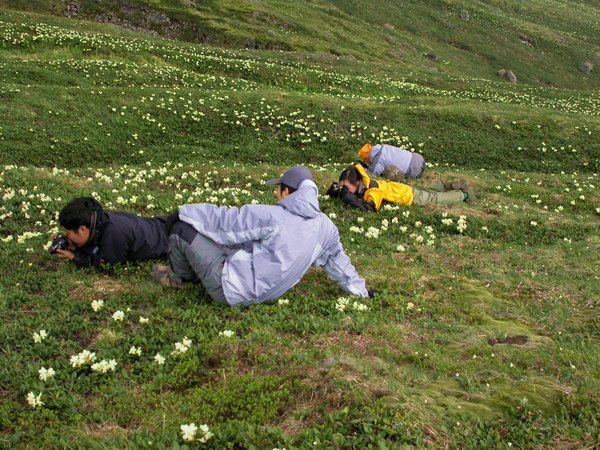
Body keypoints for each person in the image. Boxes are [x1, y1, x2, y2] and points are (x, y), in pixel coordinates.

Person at [152, 166, 370, 307]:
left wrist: (184, 212)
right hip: (270, 293)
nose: (276, 195)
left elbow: (225, 223)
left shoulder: (274, 216)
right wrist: (362, 293)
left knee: (182, 229)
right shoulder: (325, 227)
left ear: (286, 192)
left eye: (278, 190)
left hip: (231, 290)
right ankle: (194, 271)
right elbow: (339, 263)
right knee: (232, 242)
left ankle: (180, 279)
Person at [52, 197, 177, 268]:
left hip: (174, 240)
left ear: (83, 229)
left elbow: (105, 264)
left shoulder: (114, 235)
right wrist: (74, 246)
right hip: (164, 223)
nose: (66, 236)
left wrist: (74, 256)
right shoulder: (101, 220)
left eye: (67, 232)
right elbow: (96, 247)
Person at [327, 163, 474, 212]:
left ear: (357, 182)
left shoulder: (372, 190)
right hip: (403, 189)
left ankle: (463, 194)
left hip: (408, 197)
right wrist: (335, 191)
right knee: (427, 192)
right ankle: (447, 186)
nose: (345, 189)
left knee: (435, 199)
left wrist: (347, 196)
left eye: (346, 187)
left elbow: (370, 208)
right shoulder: (366, 183)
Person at [357, 143, 426, 181]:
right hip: (418, 158)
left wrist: (363, 169)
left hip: (413, 171)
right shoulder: (383, 146)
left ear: (367, 157)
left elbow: (372, 174)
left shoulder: (377, 160)